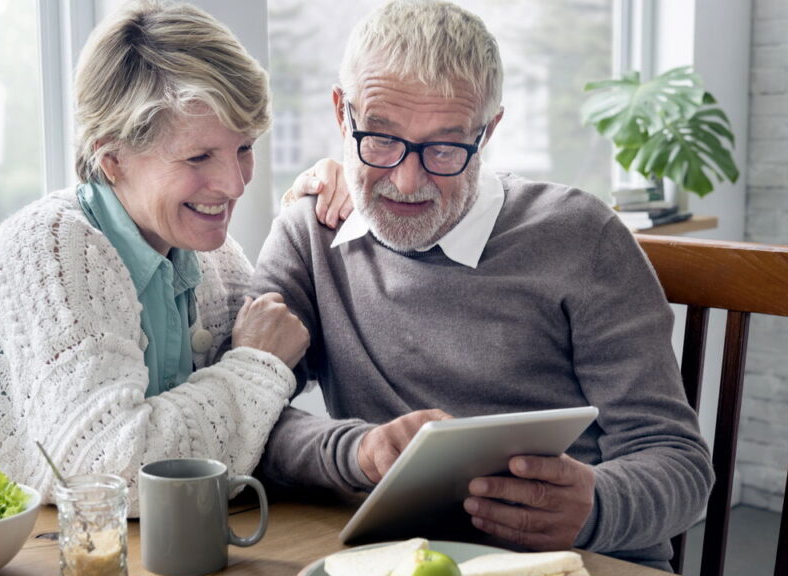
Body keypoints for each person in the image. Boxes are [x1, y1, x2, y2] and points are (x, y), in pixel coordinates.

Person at [252, 0, 713, 570]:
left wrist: (595, 506)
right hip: (406, 560)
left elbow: (680, 464)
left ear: (489, 129)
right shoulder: (310, 235)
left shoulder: (582, 237)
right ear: (341, 111)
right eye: (381, 137)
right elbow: (245, 419)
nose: (406, 178)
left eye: (445, 147)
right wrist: (355, 451)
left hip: (577, 562)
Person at [0, 1, 313, 516]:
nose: (234, 182)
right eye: (199, 156)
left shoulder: (212, 257)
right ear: (112, 159)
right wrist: (254, 365)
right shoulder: (50, 246)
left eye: (244, 147)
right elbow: (107, 476)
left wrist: (326, 207)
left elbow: (281, 366)